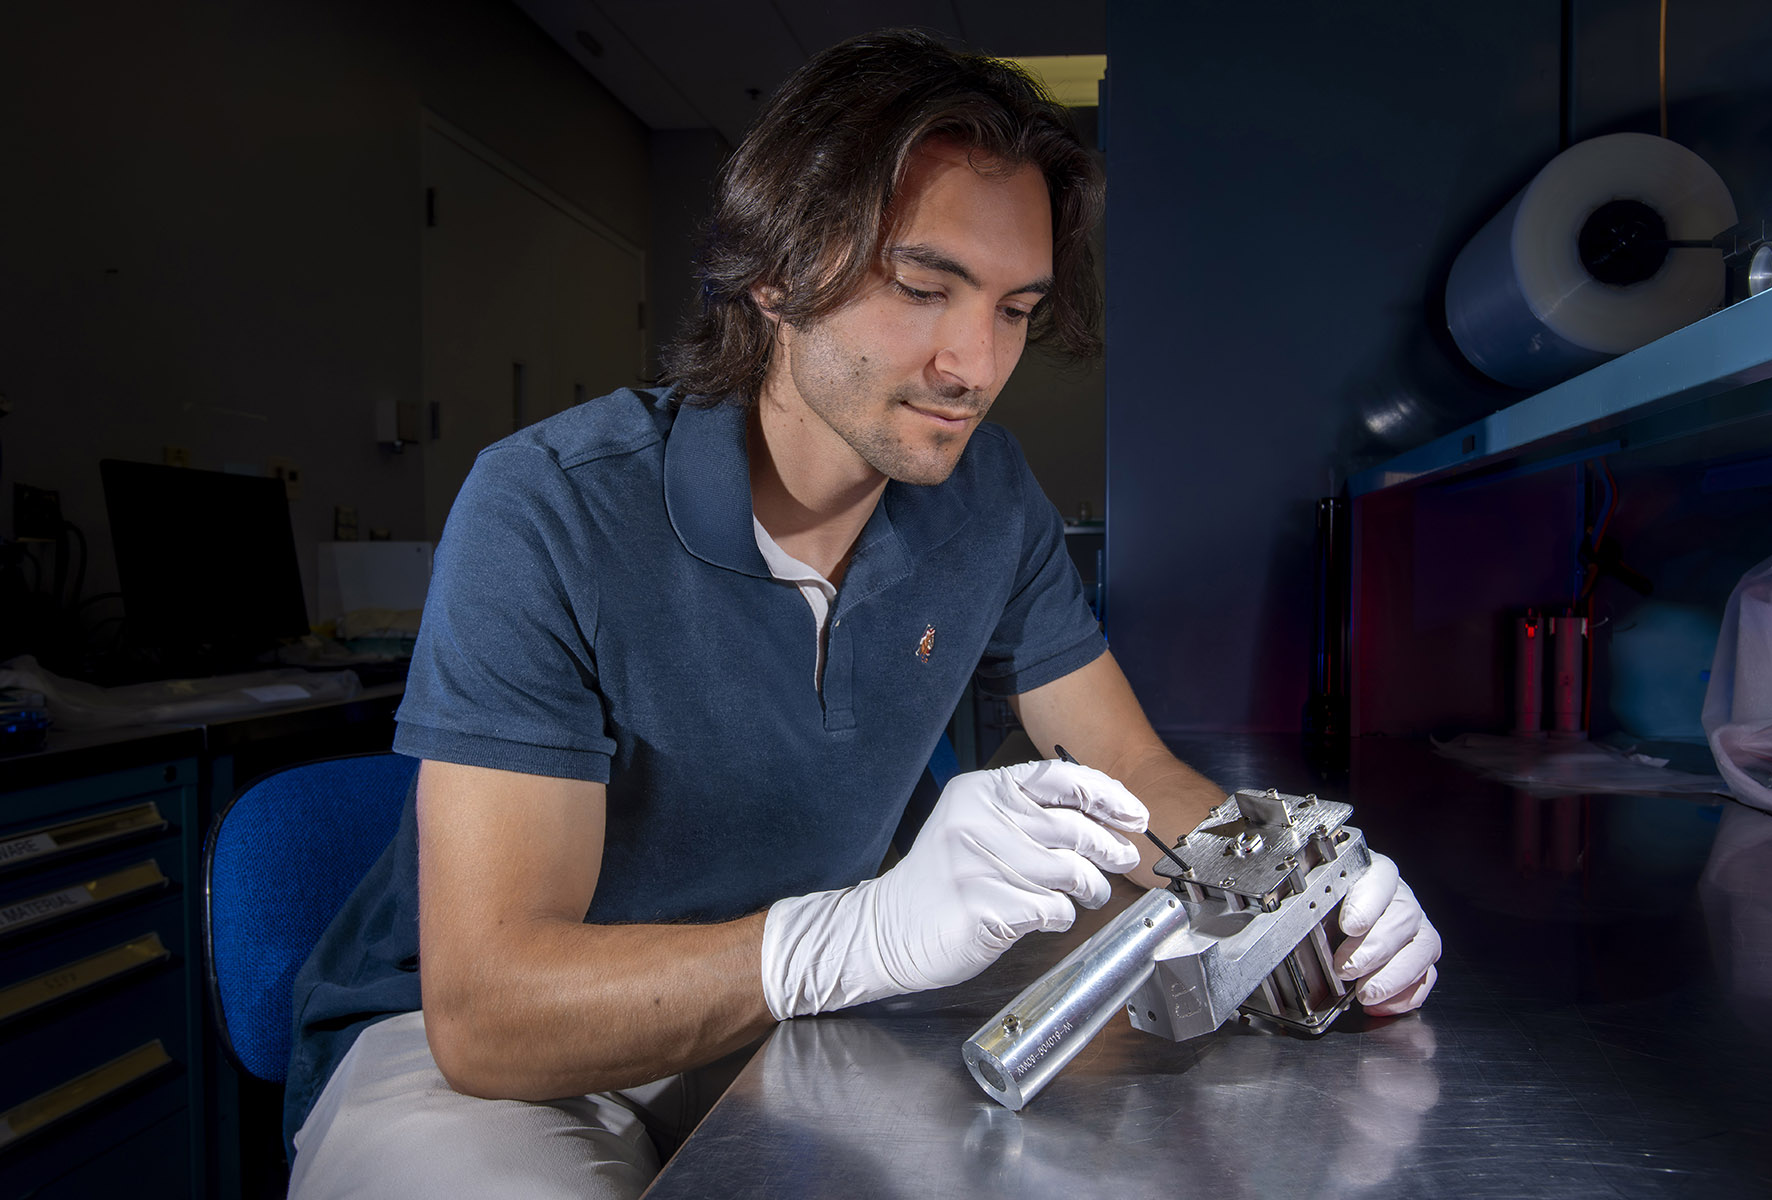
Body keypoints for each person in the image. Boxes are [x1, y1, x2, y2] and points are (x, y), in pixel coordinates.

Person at [284, 29, 1441, 1198]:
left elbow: (1129, 766)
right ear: (773, 274)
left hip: (803, 1020)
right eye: (924, 288)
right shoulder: (549, 507)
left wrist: (1299, 878)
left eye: (1014, 310)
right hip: (488, 1062)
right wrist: (858, 935)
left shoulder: (989, 504)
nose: (972, 365)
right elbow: (490, 1015)